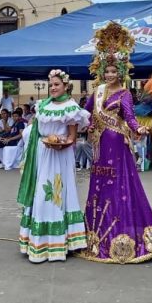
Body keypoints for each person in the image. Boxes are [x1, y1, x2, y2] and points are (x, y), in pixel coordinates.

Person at [78, 22, 152, 264]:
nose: (110, 75)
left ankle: (124, 233)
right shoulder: (97, 92)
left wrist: (139, 129)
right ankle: (95, 236)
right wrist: (81, 123)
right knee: (100, 186)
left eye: (114, 72)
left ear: (121, 73)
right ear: (103, 71)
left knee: (120, 188)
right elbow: (84, 114)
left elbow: (131, 118)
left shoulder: (125, 94)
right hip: (99, 147)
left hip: (117, 146)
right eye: (107, 71)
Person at [17, 69, 90, 263]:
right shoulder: (43, 105)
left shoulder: (71, 107)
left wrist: (61, 142)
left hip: (60, 155)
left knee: (57, 195)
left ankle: (59, 243)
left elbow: (73, 137)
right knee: (41, 195)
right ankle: (40, 242)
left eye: (57, 84)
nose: (53, 88)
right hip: (42, 153)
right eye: (51, 85)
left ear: (66, 86)